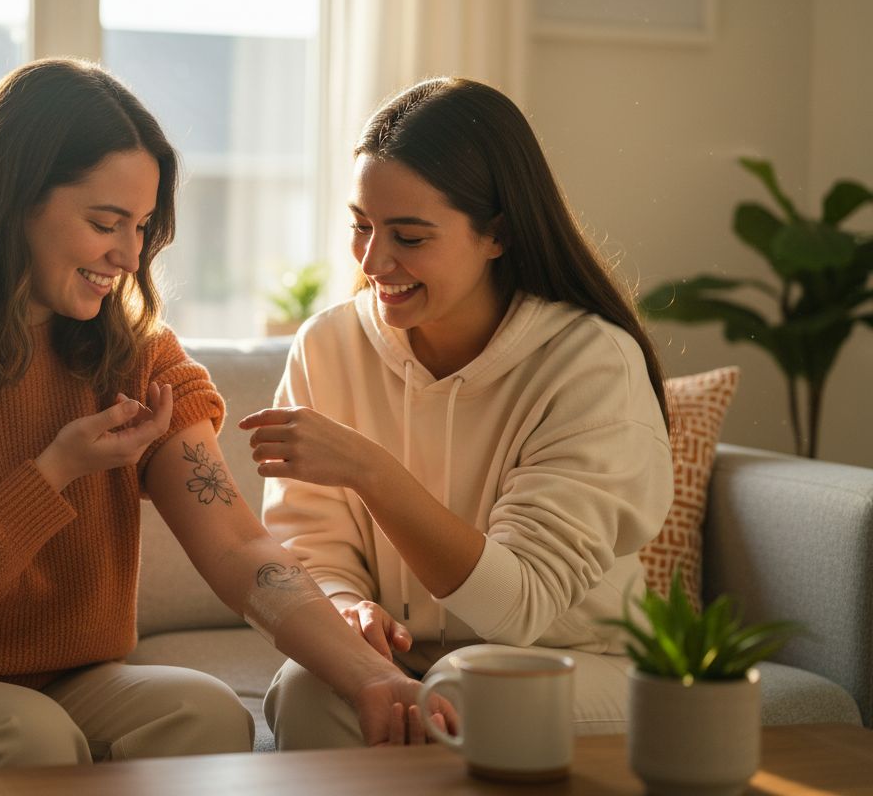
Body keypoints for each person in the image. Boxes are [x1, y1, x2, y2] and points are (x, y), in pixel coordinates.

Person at [0, 59, 452, 789]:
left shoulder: (137, 354)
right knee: (27, 738)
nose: (129, 255)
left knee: (206, 714)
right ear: (12, 200)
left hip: (58, 684)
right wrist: (54, 473)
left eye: (143, 226)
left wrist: (373, 677)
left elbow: (239, 547)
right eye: (105, 223)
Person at [239, 77, 674, 749]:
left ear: (496, 233)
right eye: (361, 226)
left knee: (467, 689)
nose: (374, 261)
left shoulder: (590, 364)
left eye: (409, 237)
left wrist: (369, 470)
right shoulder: (329, 345)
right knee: (309, 686)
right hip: (410, 656)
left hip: (577, 660)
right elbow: (308, 544)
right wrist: (344, 606)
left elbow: (519, 605)